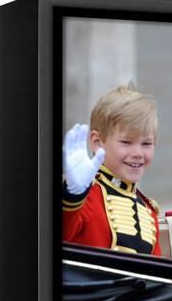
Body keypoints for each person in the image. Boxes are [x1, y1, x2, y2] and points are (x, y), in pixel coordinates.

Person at [62, 85, 162, 256]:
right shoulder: (84, 195)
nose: (138, 154)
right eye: (126, 142)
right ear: (97, 142)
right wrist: (73, 196)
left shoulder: (148, 210)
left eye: (146, 144)